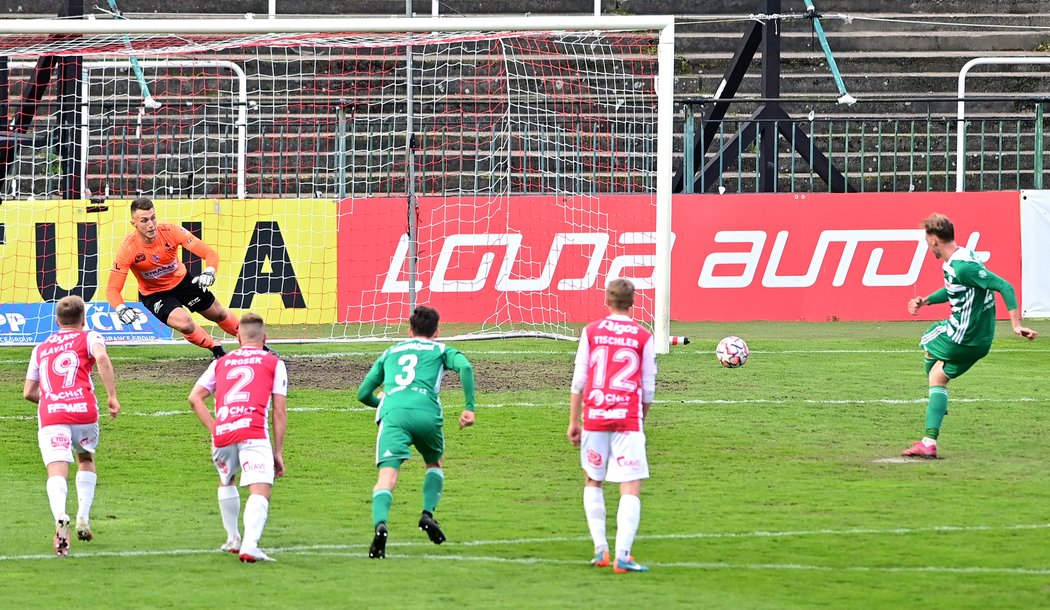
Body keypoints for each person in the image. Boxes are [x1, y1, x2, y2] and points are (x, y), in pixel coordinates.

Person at [902, 213, 1038, 458]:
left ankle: (937, 407)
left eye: (926, 239)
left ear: (933, 240)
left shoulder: (963, 265)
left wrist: (1016, 325)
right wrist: (926, 301)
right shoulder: (961, 258)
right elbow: (954, 290)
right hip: (981, 340)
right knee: (938, 377)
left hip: (962, 336)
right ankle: (929, 440)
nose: (926, 244)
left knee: (929, 339)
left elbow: (1005, 286)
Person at [356, 305, 476, 559]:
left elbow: (362, 394)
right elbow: (465, 367)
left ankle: (380, 524)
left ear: (410, 331)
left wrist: (385, 402)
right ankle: (427, 514)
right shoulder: (441, 349)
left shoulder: (391, 352)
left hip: (394, 416)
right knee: (434, 463)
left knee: (387, 476)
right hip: (427, 414)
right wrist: (469, 407)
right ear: (437, 331)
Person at [567, 278, 656, 573]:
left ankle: (601, 550)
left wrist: (574, 421)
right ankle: (624, 555)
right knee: (630, 486)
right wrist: (639, 418)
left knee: (593, 480)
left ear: (607, 300)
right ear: (632, 302)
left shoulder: (591, 332)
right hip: (628, 418)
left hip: (595, 415)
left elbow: (579, 379)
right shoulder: (643, 336)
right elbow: (648, 388)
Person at [23, 295, 121, 557]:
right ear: (84, 318)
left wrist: (53, 402)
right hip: (84, 412)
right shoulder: (90, 337)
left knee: (57, 468)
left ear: (57, 320)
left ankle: (60, 517)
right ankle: (82, 516)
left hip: (52, 414)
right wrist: (112, 396)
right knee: (85, 458)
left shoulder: (41, 347)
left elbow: (28, 392)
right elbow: (101, 358)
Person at [188, 312, 288, 563]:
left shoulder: (221, 362)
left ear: (238, 337)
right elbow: (279, 411)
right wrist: (277, 452)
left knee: (227, 479)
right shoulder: (273, 362)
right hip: (253, 431)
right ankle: (250, 545)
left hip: (223, 433)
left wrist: (215, 428)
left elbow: (195, 398)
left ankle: (233, 538)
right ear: (264, 337)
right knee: (260, 489)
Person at [107, 197, 239, 358]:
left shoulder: (171, 231)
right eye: (144, 220)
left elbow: (209, 253)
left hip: (182, 282)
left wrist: (210, 270)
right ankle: (216, 348)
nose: (151, 224)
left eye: (153, 218)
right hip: (154, 294)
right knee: (185, 323)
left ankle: (258, 346)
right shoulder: (127, 249)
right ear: (133, 223)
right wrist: (121, 309)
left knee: (219, 314)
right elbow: (113, 289)